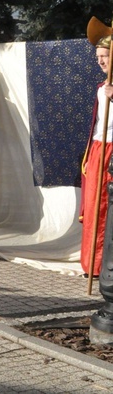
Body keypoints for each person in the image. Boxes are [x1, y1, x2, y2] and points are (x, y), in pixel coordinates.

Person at [80, 27, 113, 277]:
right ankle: (92, 264)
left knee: (107, 207)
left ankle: (106, 265)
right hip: (98, 149)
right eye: (98, 56)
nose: (100, 60)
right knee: (93, 205)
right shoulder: (101, 87)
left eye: (105, 55)